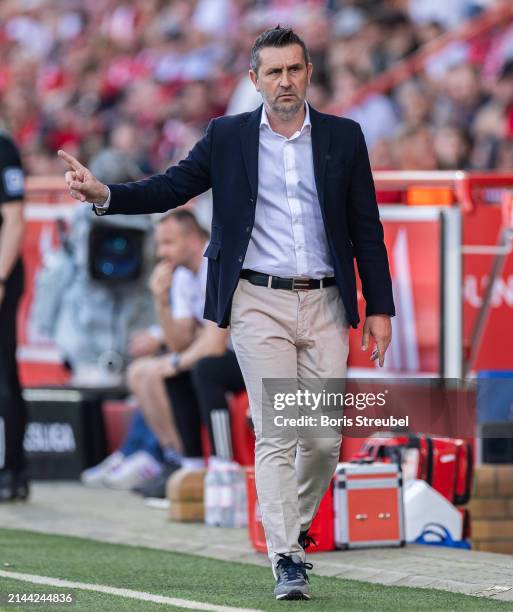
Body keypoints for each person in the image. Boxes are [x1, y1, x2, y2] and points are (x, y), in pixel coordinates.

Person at [58, 26, 395, 602]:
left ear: (309, 72)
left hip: (327, 301)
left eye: (294, 70)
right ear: (254, 80)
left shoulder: (345, 137)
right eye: (274, 72)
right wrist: (105, 195)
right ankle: (286, 555)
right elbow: (172, 187)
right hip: (256, 300)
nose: (285, 81)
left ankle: (296, 528)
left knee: (321, 440)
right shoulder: (228, 136)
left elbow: (367, 227)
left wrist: (380, 309)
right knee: (277, 429)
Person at [129, 210, 246, 499]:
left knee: (202, 368)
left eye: (168, 243)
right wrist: (161, 301)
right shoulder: (182, 275)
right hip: (222, 355)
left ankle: (223, 464)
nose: (161, 252)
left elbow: (214, 345)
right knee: (178, 372)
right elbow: (179, 342)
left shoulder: (217, 265)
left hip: (254, 355)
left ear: (193, 239)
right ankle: (187, 463)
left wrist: (175, 361)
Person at [0, 131, 27, 501]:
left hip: (1, 271)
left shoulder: (3, 148)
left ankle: (13, 469)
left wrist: (1, 276)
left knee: (4, 371)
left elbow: (15, 217)